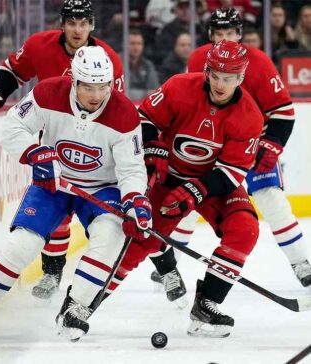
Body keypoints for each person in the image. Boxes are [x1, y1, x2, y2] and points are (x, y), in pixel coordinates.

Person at [0, 45, 151, 342]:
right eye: (88, 86)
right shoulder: (47, 93)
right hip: (55, 183)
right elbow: (12, 128)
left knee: (110, 238)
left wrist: (136, 199)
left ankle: (76, 307)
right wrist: (34, 152)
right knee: (23, 244)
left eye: (102, 87)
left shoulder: (125, 114)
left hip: (103, 188)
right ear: (74, 80)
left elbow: (132, 170)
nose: (96, 95)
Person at [0, 0, 125, 301]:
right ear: (62, 24)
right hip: (55, 141)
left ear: (92, 26)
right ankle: (52, 270)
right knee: (54, 207)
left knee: (104, 220)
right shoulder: (39, 45)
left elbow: (116, 110)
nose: (77, 29)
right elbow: (13, 71)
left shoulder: (106, 60)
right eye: (72, 23)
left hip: (94, 149)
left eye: (83, 23)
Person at [107, 40, 263, 338]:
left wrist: (196, 190)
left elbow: (231, 172)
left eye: (228, 78)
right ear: (206, 71)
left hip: (213, 185)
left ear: (241, 77)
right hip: (168, 178)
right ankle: (85, 301)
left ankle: (207, 305)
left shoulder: (250, 116)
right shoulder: (180, 87)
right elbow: (143, 119)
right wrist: (154, 148)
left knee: (245, 228)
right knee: (141, 240)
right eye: (215, 75)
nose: (220, 84)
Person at [151, 7, 311, 289]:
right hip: (211, 147)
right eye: (219, 34)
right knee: (191, 198)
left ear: (240, 34)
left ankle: (300, 263)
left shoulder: (259, 62)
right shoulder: (200, 59)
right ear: (210, 35)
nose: (224, 39)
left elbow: (284, 111)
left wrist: (271, 144)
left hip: (251, 144)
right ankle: (172, 255)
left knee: (271, 199)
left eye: (230, 34)